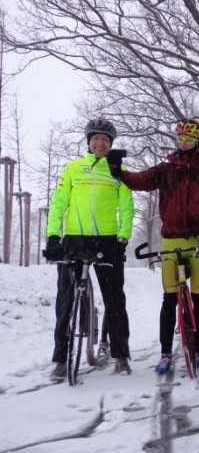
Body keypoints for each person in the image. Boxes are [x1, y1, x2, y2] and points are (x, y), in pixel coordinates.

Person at [108, 118, 199, 374]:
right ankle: (164, 353)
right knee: (169, 298)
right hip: (171, 240)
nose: (183, 143)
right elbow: (142, 180)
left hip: (198, 243)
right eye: (180, 139)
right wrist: (119, 172)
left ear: (197, 143)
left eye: (188, 140)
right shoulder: (165, 169)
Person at [44, 118, 135, 379]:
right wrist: (52, 236)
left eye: (105, 140)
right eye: (96, 138)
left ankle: (120, 356)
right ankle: (61, 360)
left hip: (107, 240)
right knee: (65, 300)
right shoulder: (74, 168)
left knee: (115, 300)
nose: (100, 143)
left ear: (111, 144)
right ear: (88, 142)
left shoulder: (117, 170)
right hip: (73, 239)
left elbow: (127, 208)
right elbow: (59, 202)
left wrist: (122, 238)